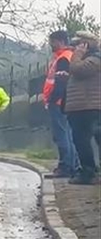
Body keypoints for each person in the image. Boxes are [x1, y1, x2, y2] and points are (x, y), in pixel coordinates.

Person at [62, 31, 101, 185]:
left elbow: (78, 70)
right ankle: (90, 170)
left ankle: (88, 171)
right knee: (83, 139)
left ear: (86, 44)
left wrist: (77, 55)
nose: (75, 47)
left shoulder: (95, 59)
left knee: (82, 139)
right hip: (82, 106)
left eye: (78, 44)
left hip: (88, 106)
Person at [43, 30, 79, 178]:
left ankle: (66, 166)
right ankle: (72, 165)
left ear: (60, 41)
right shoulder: (63, 57)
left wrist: (51, 100)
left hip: (58, 102)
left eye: (52, 41)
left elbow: (60, 83)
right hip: (61, 101)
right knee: (67, 134)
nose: (51, 44)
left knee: (62, 135)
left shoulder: (63, 59)